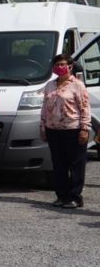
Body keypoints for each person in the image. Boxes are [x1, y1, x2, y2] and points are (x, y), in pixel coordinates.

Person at [41, 54, 91, 209]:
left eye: (63, 64)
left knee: (76, 164)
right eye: (57, 64)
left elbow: (85, 107)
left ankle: (75, 197)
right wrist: (43, 127)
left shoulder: (77, 85)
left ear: (70, 66)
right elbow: (44, 107)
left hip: (73, 129)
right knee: (59, 164)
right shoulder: (50, 85)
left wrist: (84, 128)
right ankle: (62, 196)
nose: (60, 67)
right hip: (53, 130)